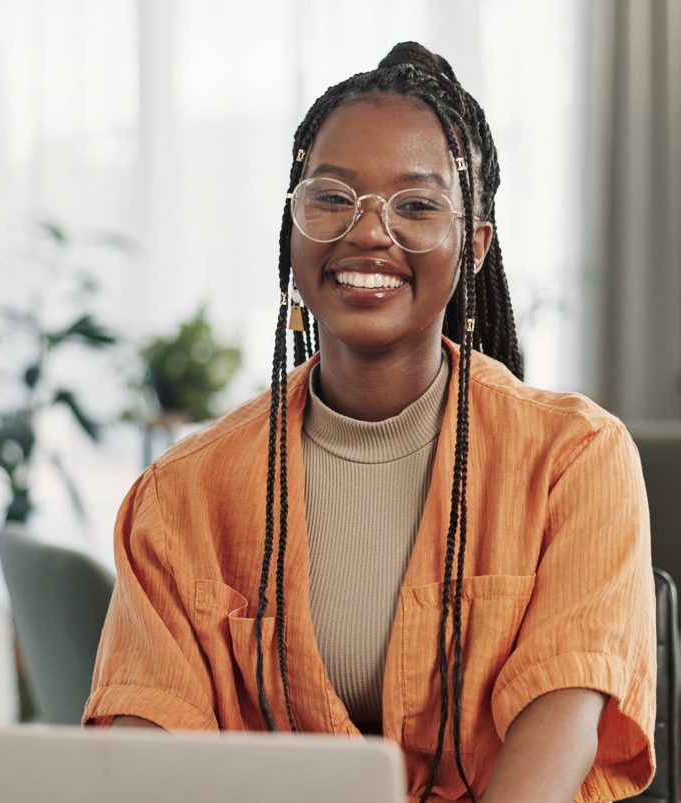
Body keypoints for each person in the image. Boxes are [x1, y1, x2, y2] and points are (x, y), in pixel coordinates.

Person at [83, 42, 656, 803]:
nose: (368, 233)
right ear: (293, 225)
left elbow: (559, 728)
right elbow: (146, 753)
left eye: (416, 205)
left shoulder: (576, 461)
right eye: (332, 198)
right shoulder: (181, 494)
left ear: (472, 247)